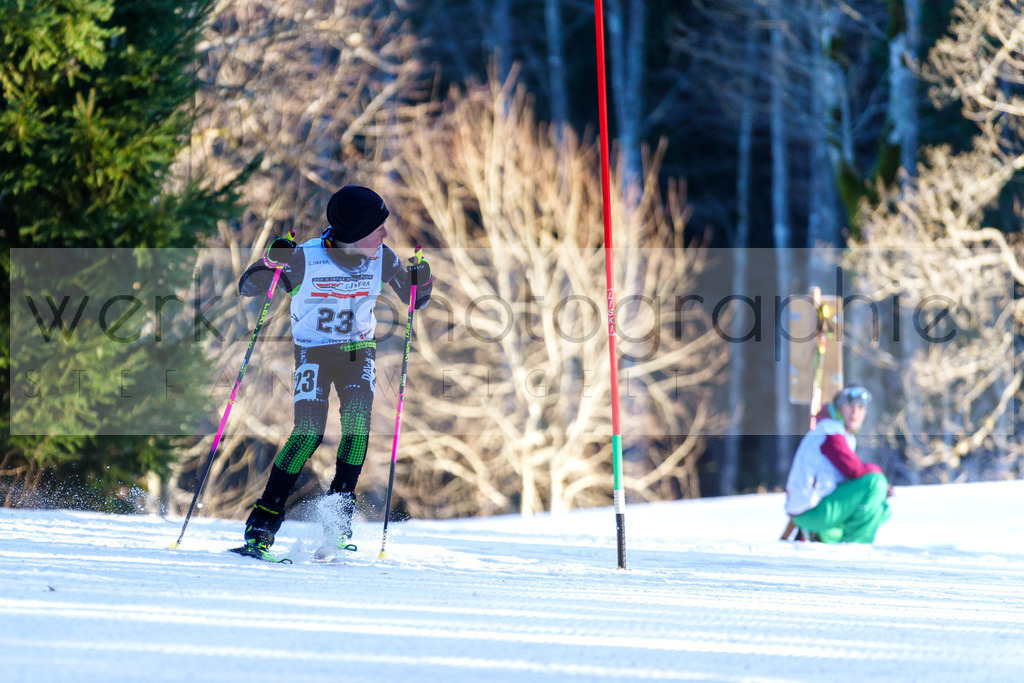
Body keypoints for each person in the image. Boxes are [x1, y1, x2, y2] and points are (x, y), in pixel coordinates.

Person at [234, 185, 433, 556]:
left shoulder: (382, 258)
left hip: (358, 352)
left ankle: (338, 519)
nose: (386, 235)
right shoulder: (306, 258)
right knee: (308, 432)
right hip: (313, 352)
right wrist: (271, 262)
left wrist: (423, 279)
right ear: (357, 233)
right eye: (378, 228)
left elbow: (413, 299)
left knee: (357, 429)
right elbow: (250, 287)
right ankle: (262, 522)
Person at [784, 386, 892, 543]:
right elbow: (854, 470)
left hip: (813, 510)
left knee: (882, 509)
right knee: (876, 483)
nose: (855, 412)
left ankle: (825, 536)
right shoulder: (829, 429)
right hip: (810, 510)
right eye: (849, 406)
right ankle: (854, 546)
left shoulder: (837, 431)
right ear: (838, 408)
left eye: (860, 407)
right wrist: (878, 474)